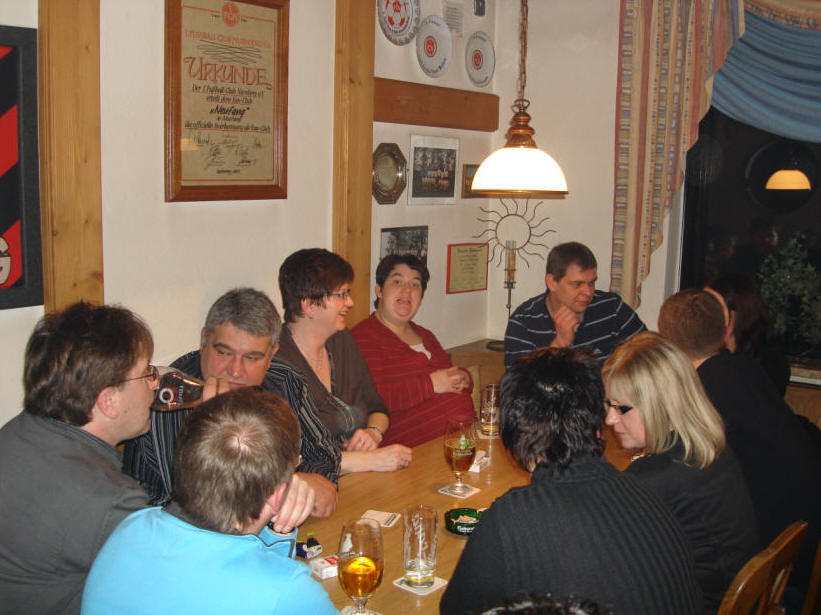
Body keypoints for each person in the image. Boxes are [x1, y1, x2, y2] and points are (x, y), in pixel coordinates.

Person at [440, 348, 702, 615]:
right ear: (596, 424)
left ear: (514, 432)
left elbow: (456, 610)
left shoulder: (511, 516)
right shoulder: (645, 491)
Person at [82, 388, 338, 615]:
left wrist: (278, 527)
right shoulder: (289, 589)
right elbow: (273, 589)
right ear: (278, 495)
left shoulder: (131, 526)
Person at [659, 289, 821, 605]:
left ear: (669, 344)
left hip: (775, 574)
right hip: (804, 536)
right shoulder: (747, 369)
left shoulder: (702, 396)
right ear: (725, 330)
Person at [123, 288, 339, 524]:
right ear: (204, 340)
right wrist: (214, 423)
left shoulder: (285, 380)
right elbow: (183, 505)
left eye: (252, 357)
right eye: (224, 353)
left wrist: (309, 484)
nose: (235, 371)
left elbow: (324, 454)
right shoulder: (168, 399)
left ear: (271, 355)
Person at [0, 302, 155, 614]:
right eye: (145, 374)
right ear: (109, 401)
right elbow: (171, 587)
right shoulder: (113, 501)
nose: (155, 383)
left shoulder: (16, 431)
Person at [601, 332, 759, 613]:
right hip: (730, 593)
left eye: (621, 408)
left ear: (661, 406)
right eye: (608, 405)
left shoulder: (652, 481)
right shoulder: (707, 445)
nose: (610, 419)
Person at [277, 248, 412, 473]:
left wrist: (373, 433)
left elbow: (377, 407)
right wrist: (370, 460)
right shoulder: (277, 362)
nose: (350, 302)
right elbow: (296, 459)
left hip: (361, 476)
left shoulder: (341, 339)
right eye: (341, 295)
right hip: (311, 487)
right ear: (309, 305)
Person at [351, 254, 474, 447]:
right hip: (408, 450)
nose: (407, 290)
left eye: (415, 285)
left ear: (420, 298)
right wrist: (430, 384)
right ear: (379, 291)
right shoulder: (363, 337)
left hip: (459, 443)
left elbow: (448, 376)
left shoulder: (426, 335)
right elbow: (371, 400)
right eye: (397, 281)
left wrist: (464, 378)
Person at [504, 241, 645, 368]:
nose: (588, 292)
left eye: (591, 283)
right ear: (552, 282)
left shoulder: (612, 308)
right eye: (577, 284)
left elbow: (650, 357)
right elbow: (518, 385)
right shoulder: (523, 322)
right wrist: (559, 344)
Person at [706, 272, 790, 396]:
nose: (704, 312)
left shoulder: (769, 363)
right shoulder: (701, 350)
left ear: (736, 314)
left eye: (712, 306)